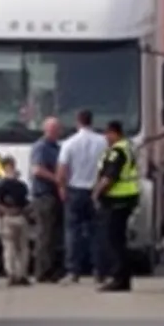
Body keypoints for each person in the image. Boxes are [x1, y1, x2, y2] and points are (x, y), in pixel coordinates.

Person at [56, 109, 109, 284]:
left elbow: (62, 170)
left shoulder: (69, 143)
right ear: (91, 121)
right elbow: (108, 167)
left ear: (78, 121)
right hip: (97, 191)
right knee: (97, 232)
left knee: (73, 232)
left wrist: (62, 188)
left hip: (75, 191)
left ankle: (73, 271)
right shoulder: (103, 142)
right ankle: (99, 271)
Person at [92, 120, 140, 293]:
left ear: (115, 133)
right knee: (119, 240)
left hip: (116, 201)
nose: (106, 137)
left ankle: (118, 278)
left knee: (113, 241)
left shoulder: (117, 151)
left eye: (108, 134)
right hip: (125, 200)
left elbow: (109, 177)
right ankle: (122, 278)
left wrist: (96, 193)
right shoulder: (128, 147)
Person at [29, 118, 65, 283]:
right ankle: (41, 271)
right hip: (44, 196)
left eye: (58, 129)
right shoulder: (41, 147)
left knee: (53, 236)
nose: (58, 132)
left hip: (55, 195)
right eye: (55, 129)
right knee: (44, 234)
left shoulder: (57, 148)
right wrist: (56, 179)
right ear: (47, 130)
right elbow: (37, 170)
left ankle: (51, 269)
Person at [0, 155, 32, 286]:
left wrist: (6, 211)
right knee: (22, 248)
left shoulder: (0, 185)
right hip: (19, 216)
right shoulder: (22, 185)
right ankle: (22, 274)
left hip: (7, 217)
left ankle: (12, 274)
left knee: (10, 248)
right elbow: (28, 203)